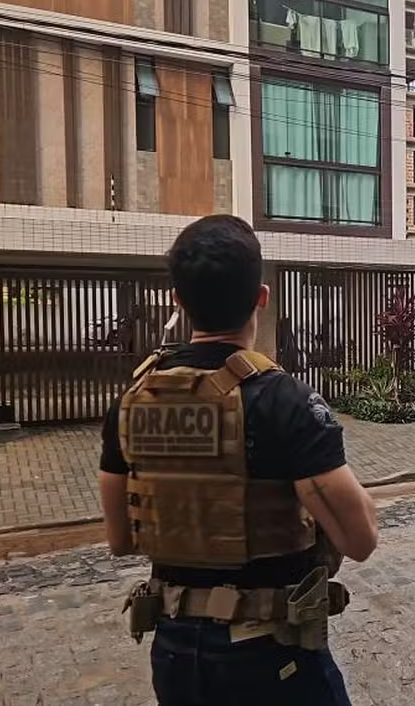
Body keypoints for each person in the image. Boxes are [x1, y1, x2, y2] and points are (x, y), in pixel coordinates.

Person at [98, 214, 378, 706]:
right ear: (261, 297)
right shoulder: (286, 403)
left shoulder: (133, 402)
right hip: (270, 654)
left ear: (179, 299)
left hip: (175, 650)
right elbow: (360, 540)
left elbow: (121, 539)